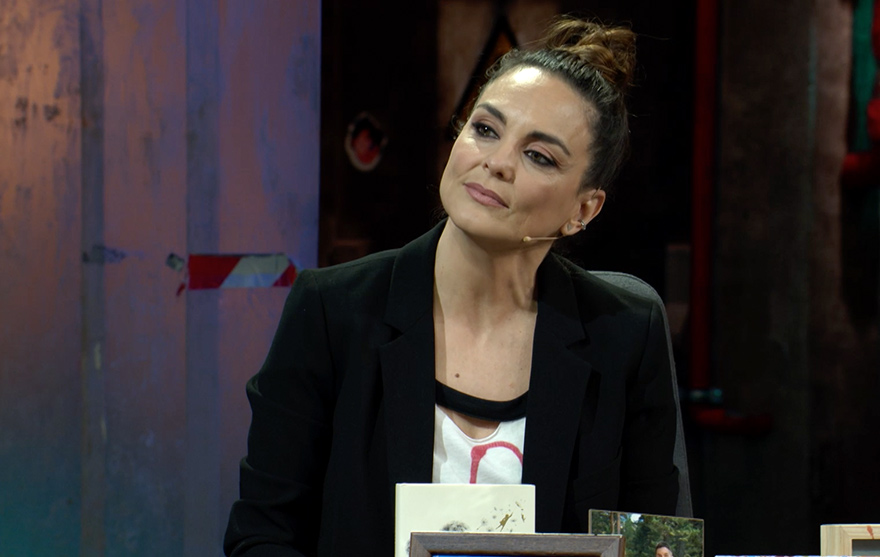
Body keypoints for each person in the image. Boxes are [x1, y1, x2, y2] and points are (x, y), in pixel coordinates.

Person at [224, 15, 680, 557]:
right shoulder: (331, 312)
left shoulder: (624, 334)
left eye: (538, 156)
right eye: (485, 129)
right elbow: (262, 539)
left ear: (584, 209)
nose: (497, 163)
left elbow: (653, 540)